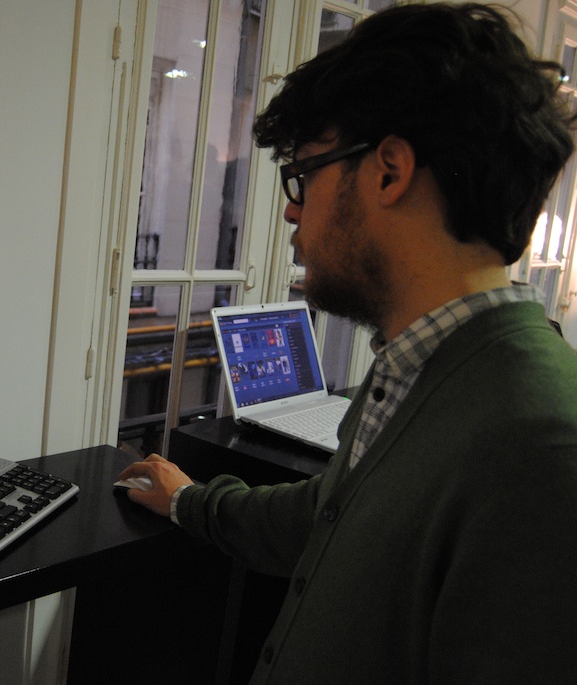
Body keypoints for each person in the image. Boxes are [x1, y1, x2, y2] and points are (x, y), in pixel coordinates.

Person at [118, 4, 577, 682]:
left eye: (304, 174)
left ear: (389, 171)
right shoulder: (416, 365)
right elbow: (327, 516)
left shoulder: (542, 447)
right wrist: (190, 500)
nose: (290, 208)